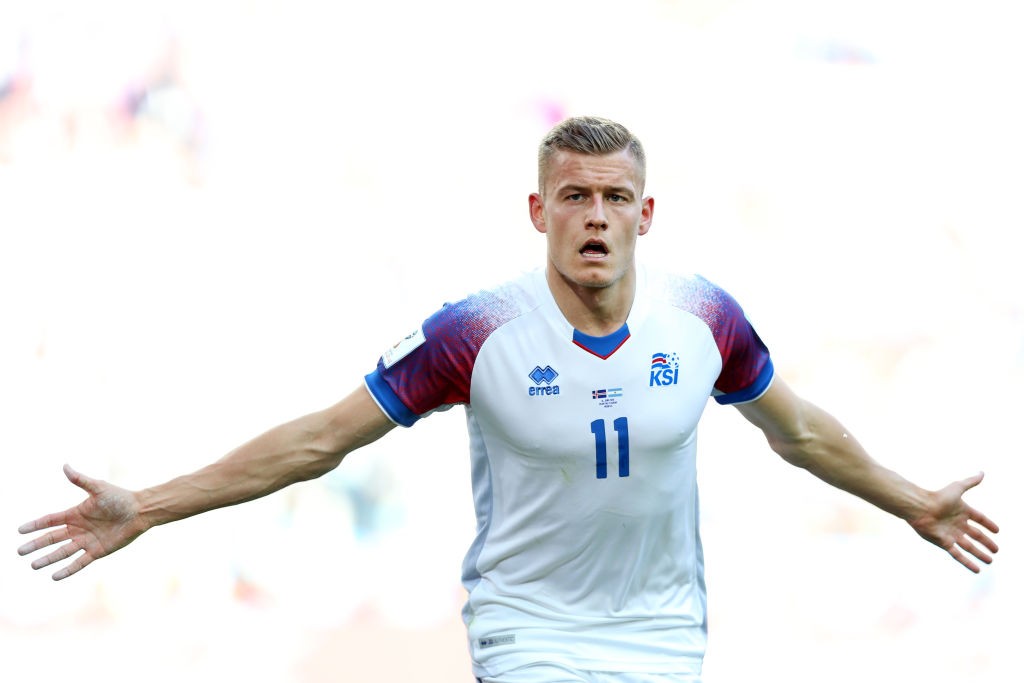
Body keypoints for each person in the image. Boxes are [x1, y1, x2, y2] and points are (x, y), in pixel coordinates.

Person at [18, 116, 999, 683]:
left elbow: (802, 432)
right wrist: (149, 505)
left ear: (646, 213)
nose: (595, 217)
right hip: (526, 628)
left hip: (663, 632)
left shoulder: (704, 317)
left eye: (615, 198)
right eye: (574, 196)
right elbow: (320, 439)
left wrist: (911, 499)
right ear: (539, 211)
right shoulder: (474, 331)